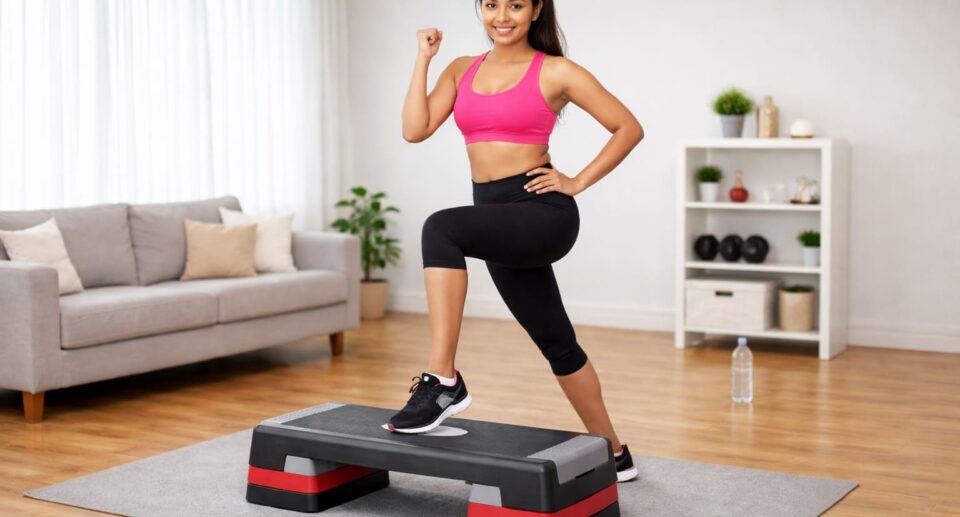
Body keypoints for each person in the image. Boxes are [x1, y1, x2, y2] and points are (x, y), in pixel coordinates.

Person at [389, 0, 643, 483]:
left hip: (541, 214)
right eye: (491, 4)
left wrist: (577, 181)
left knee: (440, 228)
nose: (501, 16)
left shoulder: (556, 71)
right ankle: (615, 453)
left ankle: (443, 380)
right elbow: (414, 130)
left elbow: (628, 127)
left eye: (515, 5)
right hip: (497, 219)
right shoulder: (461, 69)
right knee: (557, 343)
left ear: (535, 9)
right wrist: (423, 59)